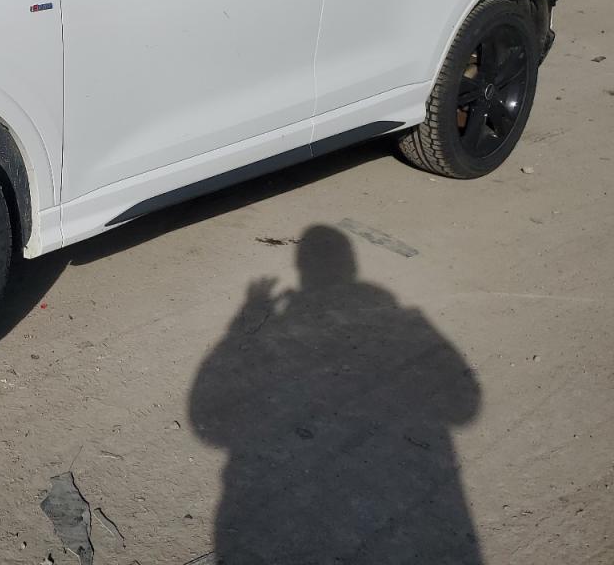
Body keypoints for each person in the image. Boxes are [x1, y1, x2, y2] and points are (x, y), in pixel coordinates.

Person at [189, 225, 482, 564]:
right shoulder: (398, 320)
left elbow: (207, 421)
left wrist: (241, 326)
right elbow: (465, 405)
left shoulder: (292, 326)